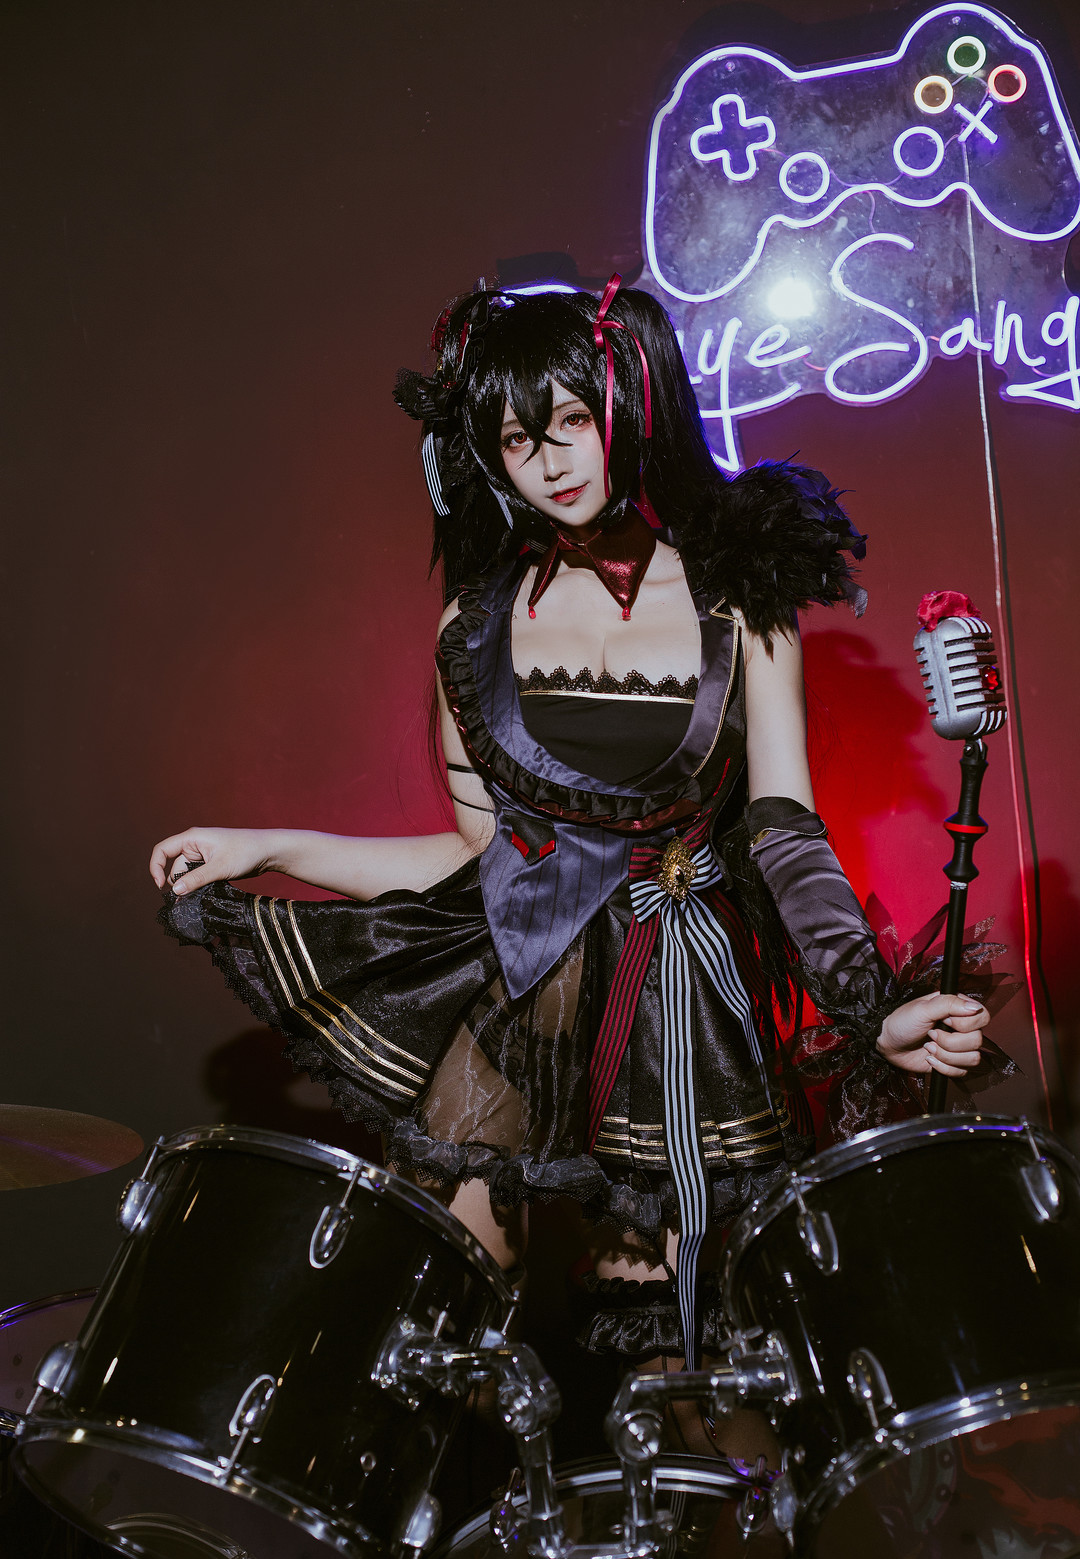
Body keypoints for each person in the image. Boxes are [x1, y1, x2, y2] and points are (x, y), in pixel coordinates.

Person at [151, 277, 989, 1392]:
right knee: (454, 1335)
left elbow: (784, 828)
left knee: (684, 1364)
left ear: (625, 410)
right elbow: (476, 857)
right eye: (516, 438)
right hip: (521, 992)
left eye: (570, 422)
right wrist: (268, 847)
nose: (548, 461)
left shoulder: (743, 597)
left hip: (681, 1003)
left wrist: (871, 1004)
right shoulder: (474, 626)